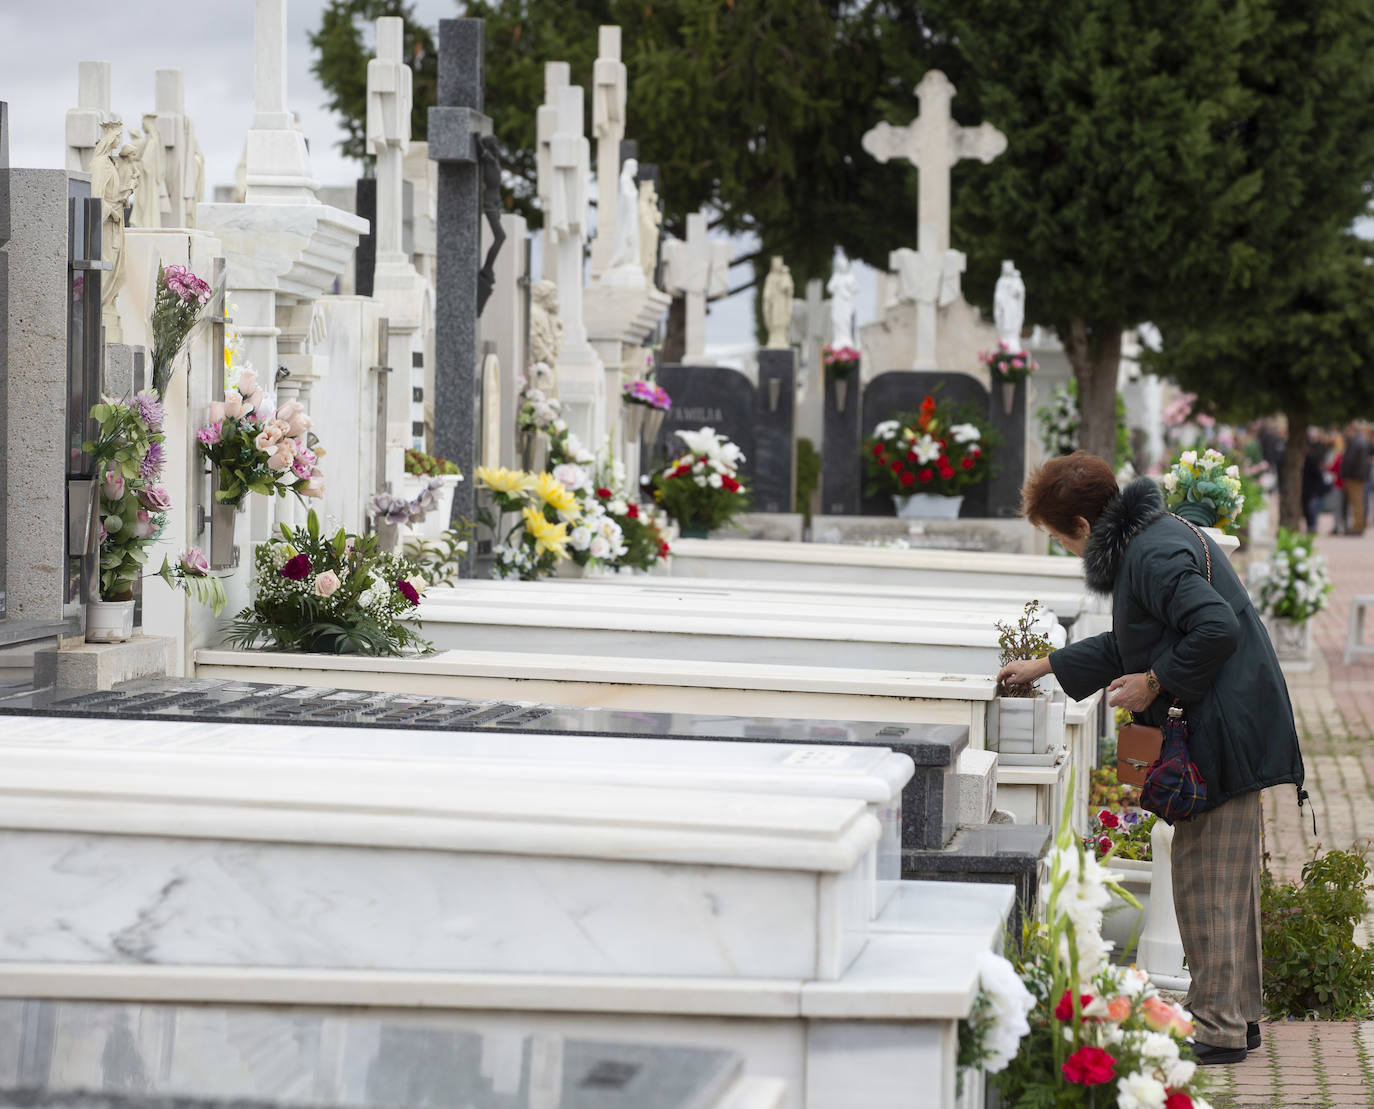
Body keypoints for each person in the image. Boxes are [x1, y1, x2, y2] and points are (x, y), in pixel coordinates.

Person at [996, 452, 1307, 1065]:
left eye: (1059, 538)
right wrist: (1048, 665)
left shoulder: (1151, 553)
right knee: (1225, 880)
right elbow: (1133, 640)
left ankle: (1217, 1030)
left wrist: (1155, 683)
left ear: (1083, 527)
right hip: (1229, 722)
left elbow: (1217, 627)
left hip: (1221, 731)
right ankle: (1235, 1019)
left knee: (1206, 879)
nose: (1064, 549)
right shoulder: (1148, 540)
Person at [1340, 421, 1370, 536]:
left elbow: (1350, 461)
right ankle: (1358, 526)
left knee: (1357, 503)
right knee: (1359, 503)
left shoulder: (1356, 442)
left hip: (1354, 477)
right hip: (1358, 476)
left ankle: (1357, 527)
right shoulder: (1361, 441)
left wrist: (1344, 473)